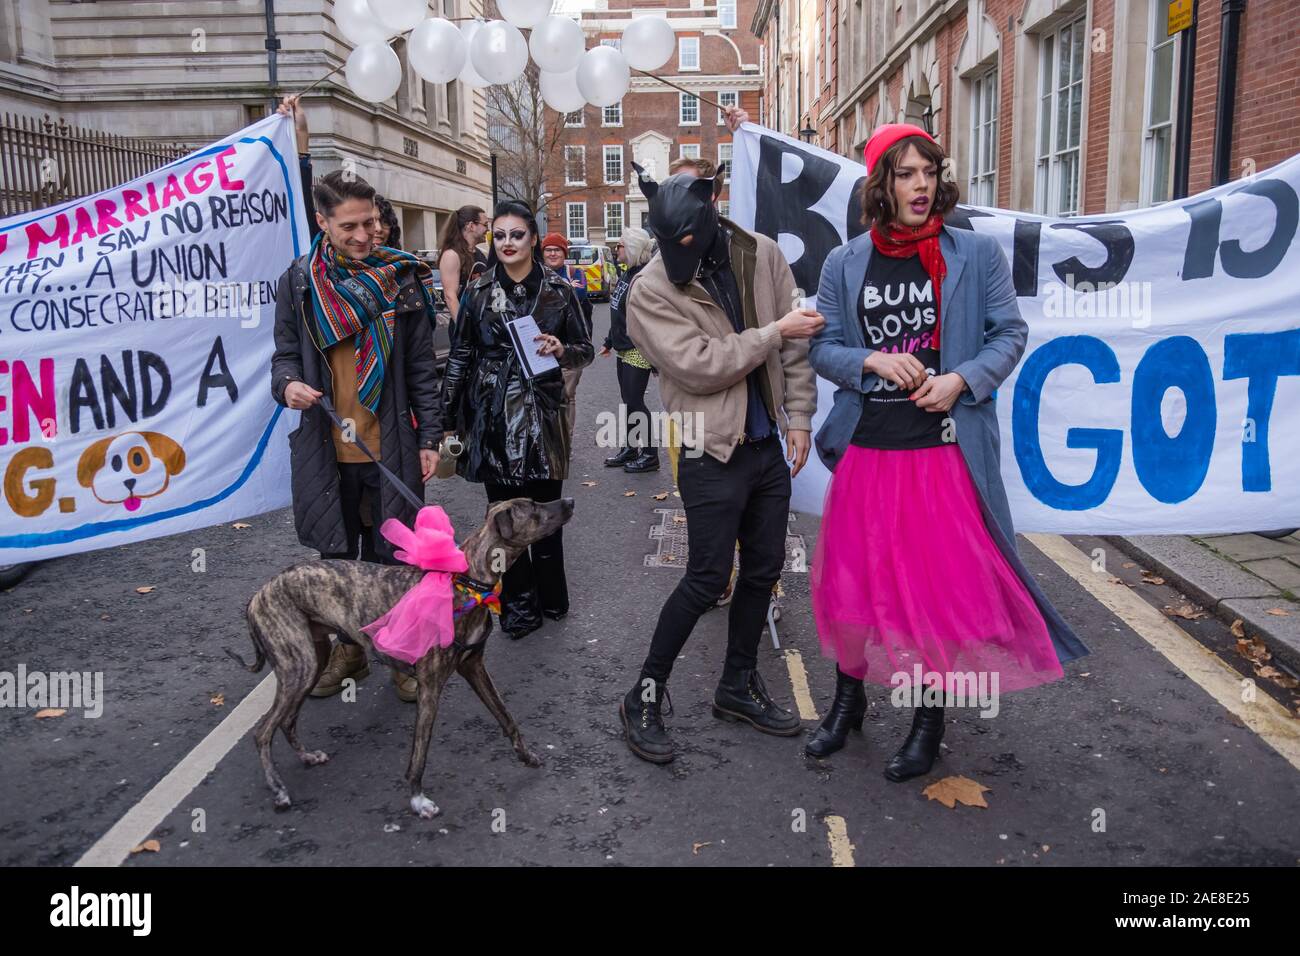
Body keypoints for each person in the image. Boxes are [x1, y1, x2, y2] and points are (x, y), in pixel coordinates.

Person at [805, 124, 1090, 780]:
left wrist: (961, 379)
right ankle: (846, 708)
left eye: (929, 173)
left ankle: (926, 722)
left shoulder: (974, 255)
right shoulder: (844, 263)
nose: (921, 186)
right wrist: (870, 359)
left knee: (927, 600)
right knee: (852, 592)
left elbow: (1008, 333)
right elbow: (821, 349)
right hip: (868, 453)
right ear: (881, 185)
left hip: (940, 455)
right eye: (905, 174)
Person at [617, 165, 822, 764]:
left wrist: (800, 416)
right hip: (710, 450)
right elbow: (700, 365)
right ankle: (643, 696)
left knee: (763, 570)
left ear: (712, 211)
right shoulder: (649, 291)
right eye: (664, 241)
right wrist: (771, 333)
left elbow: (797, 345)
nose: (674, 253)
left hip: (766, 449)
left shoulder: (761, 255)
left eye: (685, 239)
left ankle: (736, 686)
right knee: (707, 578)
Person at [270, 169, 444, 703]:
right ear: (322, 222)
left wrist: (430, 439)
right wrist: (288, 386)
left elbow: (420, 369)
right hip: (328, 448)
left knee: (396, 560)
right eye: (350, 226)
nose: (365, 235)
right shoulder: (299, 283)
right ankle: (349, 653)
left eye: (370, 221)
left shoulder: (403, 278)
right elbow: (282, 357)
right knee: (338, 561)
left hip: (388, 443)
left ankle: (401, 658)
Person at [440, 200, 593, 639]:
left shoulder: (561, 292)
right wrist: (446, 420)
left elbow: (584, 348)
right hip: (491, 415)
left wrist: (562, 350)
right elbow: (460, 357)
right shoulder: (477, 292)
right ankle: (518, 607)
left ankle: (552, 596)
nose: (507, 243)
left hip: (543, 415)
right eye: (500, 235)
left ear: (533, 238)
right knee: (504, 521)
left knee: (546, 514)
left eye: (517, 234)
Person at [600, 227, 657, 473]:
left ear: (632, 248)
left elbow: (647, 319)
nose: (617, 249)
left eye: (621, 245)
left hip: (637, 349)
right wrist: (609, 341)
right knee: (628, 401)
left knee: (635, 400)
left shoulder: (643, 277)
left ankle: (650, 454)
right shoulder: (626, 274)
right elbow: (619, 313)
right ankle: (631, 448)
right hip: (623, 347)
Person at [540, 233, 593, 454]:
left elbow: (577, 295)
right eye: (548, 250)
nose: (552, 253)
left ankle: (564, 440)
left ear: (564, 253)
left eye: (557, 250)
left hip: (570, 347)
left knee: (567, 395)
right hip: (542, 348)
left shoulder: (575, 273)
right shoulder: (536, 274)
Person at [437, 205, 489, 326]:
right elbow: (450, 297)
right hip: (466, 329)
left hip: (481, 325)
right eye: (485, 225)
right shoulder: (452, 255)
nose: (488, 229)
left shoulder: (480, 253)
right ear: (471, 226)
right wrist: (464, 330)